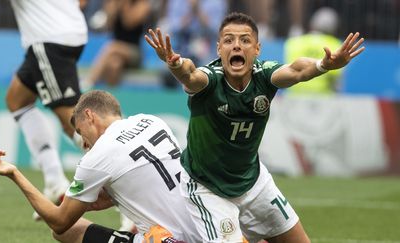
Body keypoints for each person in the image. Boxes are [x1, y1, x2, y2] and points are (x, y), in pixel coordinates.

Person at [145, 12, 364, 242]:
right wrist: (176, 63)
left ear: (257, 49)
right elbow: (190, 74)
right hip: (207, 188)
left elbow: (297, 70)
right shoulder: (210, 80)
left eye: (245, 40)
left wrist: (323, 65)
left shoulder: (264, 75)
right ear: (219, 49)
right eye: (229, 40)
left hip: (252, 181)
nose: (236, 46)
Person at [0, 90, 199, 243]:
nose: (84, 143)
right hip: (204, 225)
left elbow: (60, 222)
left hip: (168, 238)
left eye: (80, 132)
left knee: (63, 230)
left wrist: (15, 174)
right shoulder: (152, 121)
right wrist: (108, 198)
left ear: (89, 116)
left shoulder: (97, 156)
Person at [5, 0, 87, 220]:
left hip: (49, 38)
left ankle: (128, 204)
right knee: (17, 100)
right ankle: (54, 181)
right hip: (68, 31)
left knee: (75, 123)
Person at [81, 0, 151, 88]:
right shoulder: (117, 3)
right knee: (114, 64)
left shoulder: (142, 4)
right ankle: (110, 97)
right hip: (116, 54)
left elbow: (128, 23)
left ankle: (89, 81)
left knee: (112, 47)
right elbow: (108, 25)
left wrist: (125, 4)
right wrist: (113, 7)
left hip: (135, 52)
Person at [285, 7, 343, 95]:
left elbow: (287, 70)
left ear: (312, 24)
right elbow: (335, 80)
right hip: (324, 98)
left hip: (295, 96)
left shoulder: (294, 42)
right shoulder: (335, 44)